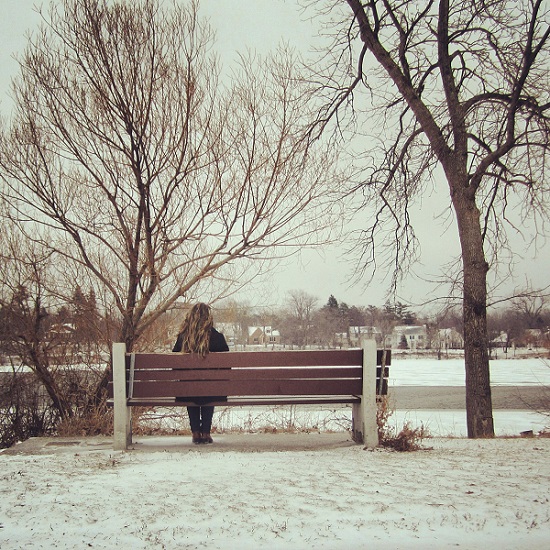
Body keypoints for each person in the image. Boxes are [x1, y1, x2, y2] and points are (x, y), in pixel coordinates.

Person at [172, 303, 229, 444]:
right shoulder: (217, 337)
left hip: (187, 392)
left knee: (190, 388)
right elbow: (227, 366)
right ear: (208, 318)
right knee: (209, 388)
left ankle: (196, 432)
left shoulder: (183, 337)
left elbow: (174, 366)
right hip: (212, 390)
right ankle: (206, 433)